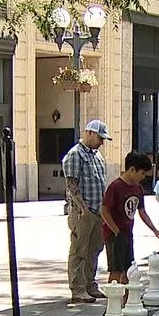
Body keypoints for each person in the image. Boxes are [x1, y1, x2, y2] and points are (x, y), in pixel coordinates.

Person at [63, 119, 111, 304]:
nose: (101, 142)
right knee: (79, 250)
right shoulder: (75, 155)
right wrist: (82, 208)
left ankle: (90, 284)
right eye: (100, 137)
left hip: (98, 210)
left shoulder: (97, 155)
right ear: (89, 133)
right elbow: (71, 184)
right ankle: (77, 288)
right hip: (83, 211)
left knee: (94, 249)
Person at [101, 152, 159, 285]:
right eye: (142, 173)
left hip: (128, 233)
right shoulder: (115, 186)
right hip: (113, 235)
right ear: (132, 169)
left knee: (129, 270)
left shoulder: (138, 188)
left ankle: (127, 302)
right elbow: (104, 210)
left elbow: (142, 212)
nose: (143, 177)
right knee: (116, 270)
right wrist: (116, 231)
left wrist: (155, 230)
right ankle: (113, 301)